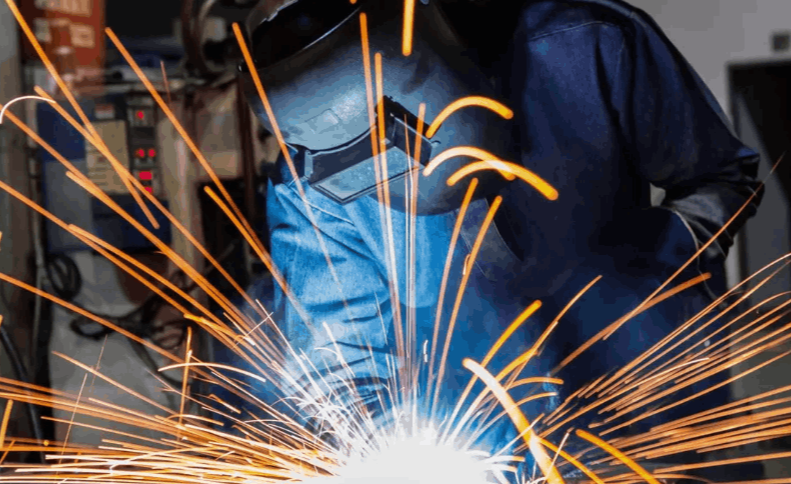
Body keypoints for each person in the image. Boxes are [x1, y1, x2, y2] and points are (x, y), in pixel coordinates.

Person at [236, 0, 762, 478]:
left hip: (648, 418)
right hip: (477, 450)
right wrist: (386, 448)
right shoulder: (311, 178)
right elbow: (338, 365)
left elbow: (720, 177)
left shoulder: (590, 45)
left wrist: (658, 276)